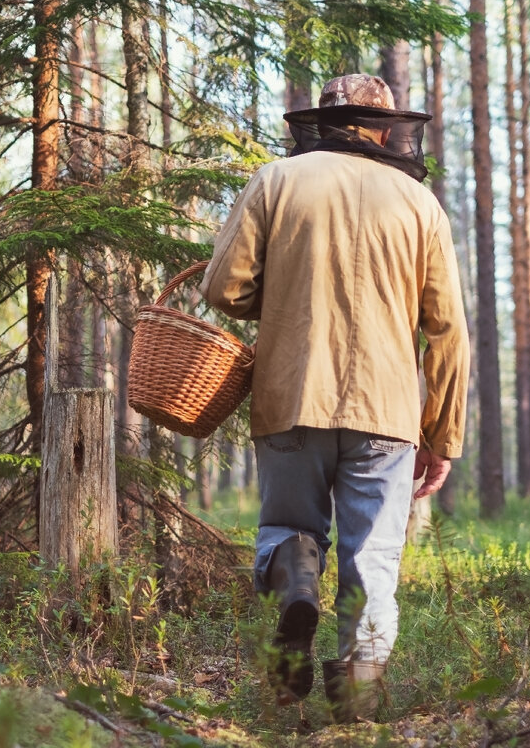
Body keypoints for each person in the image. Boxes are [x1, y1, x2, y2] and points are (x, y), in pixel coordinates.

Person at [199, 74, 470, 721]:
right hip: (388, 412)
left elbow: (222, 289)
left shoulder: (275, 181)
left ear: (321, 121)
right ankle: (357, 700)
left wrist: (288, 299)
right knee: (372, 559)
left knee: (289, 527)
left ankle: (296, 574)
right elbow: (448, 331)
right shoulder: (418, 203)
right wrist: (443, 436)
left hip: (291, 396)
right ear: (384, 128)